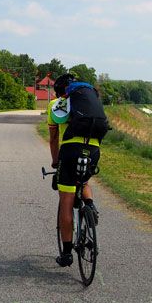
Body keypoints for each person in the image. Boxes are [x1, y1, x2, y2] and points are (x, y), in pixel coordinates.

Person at [47, 72, 102, 267]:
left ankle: (67, 253)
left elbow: (54, 138)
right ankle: (90, 204)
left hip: (70, 151)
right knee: (84, 181)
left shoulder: (56, 105)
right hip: (94, 149)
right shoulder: (89, 98)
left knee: (66, 200)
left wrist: (55, 162)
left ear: (60, 92)